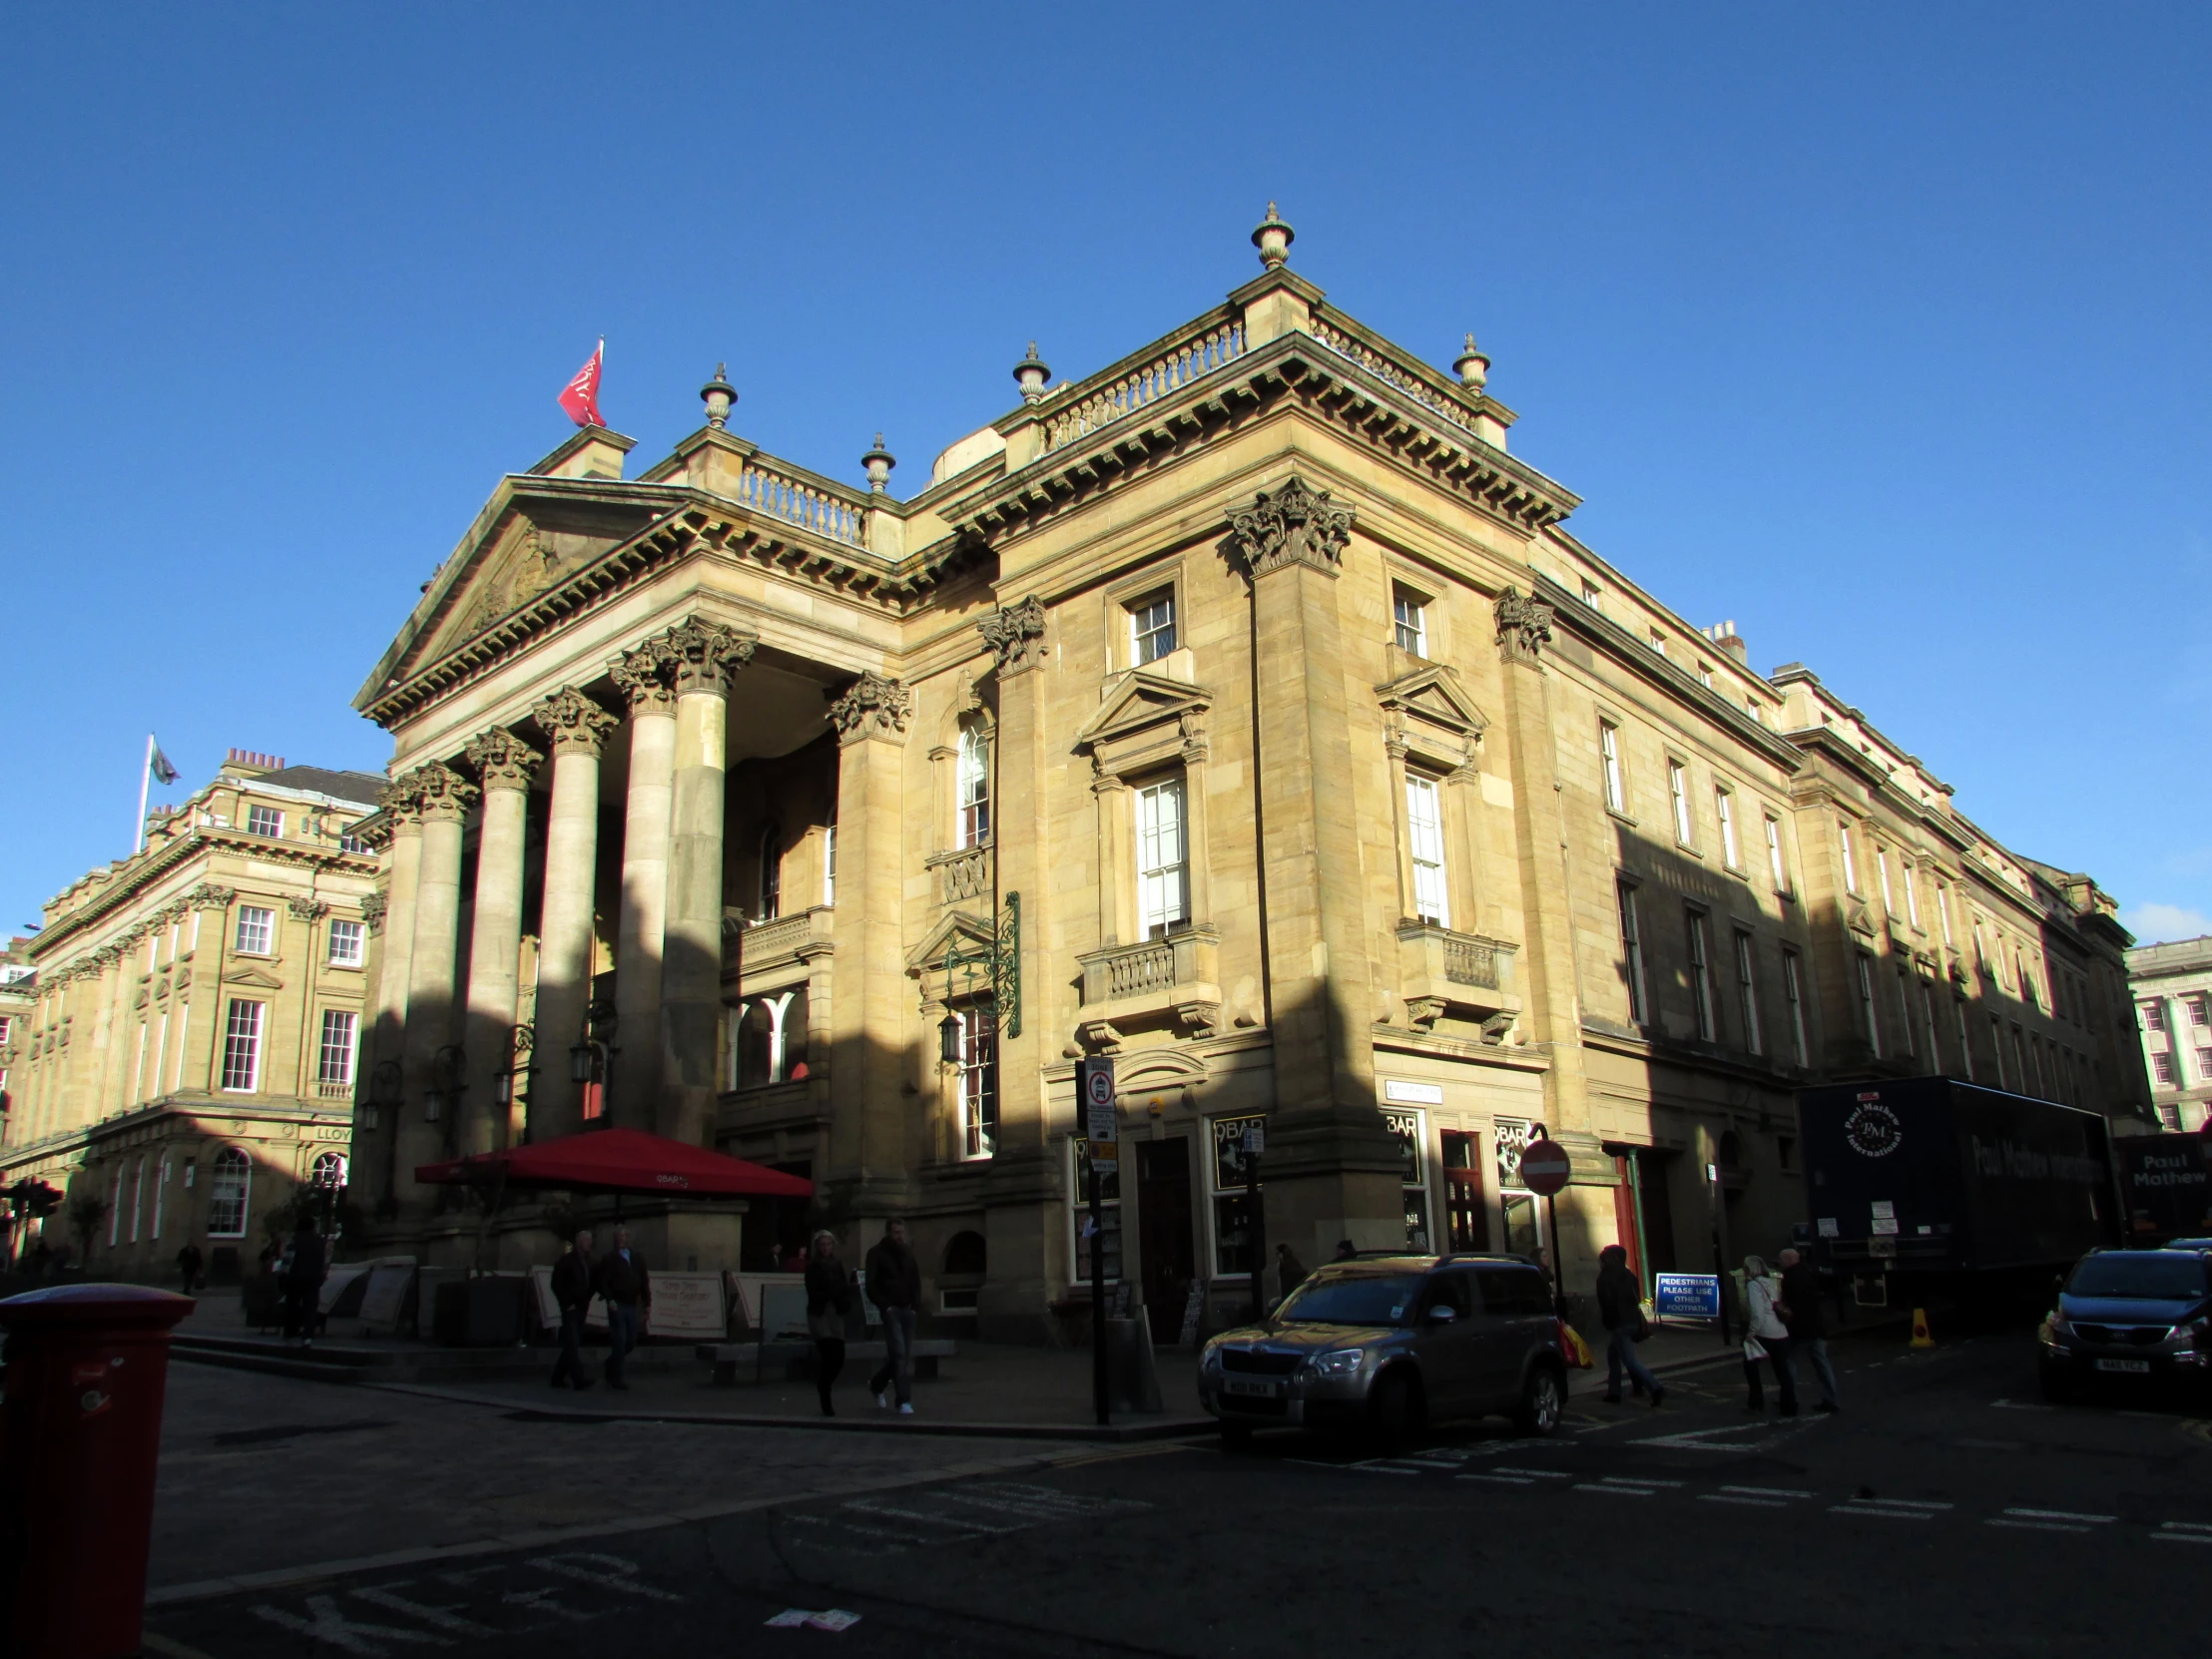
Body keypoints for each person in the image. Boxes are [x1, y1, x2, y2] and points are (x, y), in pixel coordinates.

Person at [1594, 1244, 1665, 1407]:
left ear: (1612, 1259)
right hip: (1632, 1320)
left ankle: (1654, 1386)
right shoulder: (1629, 1275)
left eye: (1604, 1259)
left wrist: (1608, 1322)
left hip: (1619, 1323)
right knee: (1613, 1355)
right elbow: (1635, 1299)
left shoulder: (1605, 1277)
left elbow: (1607, 1303)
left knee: (1630, 1360)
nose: (1601, 1262)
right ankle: (1614, 1392)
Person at [864, 1218, 921, 1415]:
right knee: (899, 1353)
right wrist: (885, 1305)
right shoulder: (876, 1253)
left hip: (908, 1309)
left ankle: (877, 1384)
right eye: (896, 1232)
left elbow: (915, 1279)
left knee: (902, 1355)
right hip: (892, 1310)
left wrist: (915, 1305)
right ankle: (903, 1400)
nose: (900, 1236)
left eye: (902, 1232)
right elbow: (871, 1285)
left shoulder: (907, 1252)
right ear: (889, 1232)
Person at [1777, 1247, 1840, 1412]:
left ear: (1790, 1260)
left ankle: (1790, 1399)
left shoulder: (1787, 1278)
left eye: (1782, 1260)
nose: (1780, 1263)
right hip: (1816, 1326)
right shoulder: (1809, 1273)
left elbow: (1786, 1302)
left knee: (1788, 1362)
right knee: (1822, 1364)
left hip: (1797, 1328)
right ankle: (1830, 1399)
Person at [593, 1225, 651, 1390]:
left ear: (628, 1239)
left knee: (631, 1340)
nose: (621, 1239)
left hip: (631, 1304)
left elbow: (644, 1281)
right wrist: (609, 1299)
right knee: (619, 1340)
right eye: (618, 1236)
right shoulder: (609, 1258)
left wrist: (647, 1304)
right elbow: (603, 1281)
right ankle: (616, 1377)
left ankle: (611, 1363)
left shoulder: (637, 1258)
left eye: (623, 1236)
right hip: (617, 1304)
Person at [805, 1231, 854, 1417]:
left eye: (828, 1244)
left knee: (839, 1356)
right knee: (828, 1352)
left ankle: (824, 1384)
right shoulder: (813, 1266)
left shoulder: (837, 1265)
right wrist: (830, 1292)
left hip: (835, 1313)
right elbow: (813, 1290)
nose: (825, 1248)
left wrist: (845, 1302)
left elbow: (844, 1287)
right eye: (822, 1245)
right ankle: (825, 1397)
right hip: (820, 1312)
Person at [1740, 1254, 1797, 1415]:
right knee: (1782, 1371)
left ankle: (1756, 1403)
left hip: (1764, 1332)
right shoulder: (1770, 1282)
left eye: (1745, 1267)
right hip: (1780, 1331)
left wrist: (1751, 1332)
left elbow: (1757, 1313)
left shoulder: (1753, 1285)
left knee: (1750, 1366)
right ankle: (1789, 1406)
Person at [549, 1229, 596, 1390]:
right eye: (586, 1240)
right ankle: (578, 1379)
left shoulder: (589, 1262)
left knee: (571, 1343)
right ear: (579, 1242)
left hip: (582, 1306)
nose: (590, 1243)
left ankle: (557, 1376)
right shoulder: (567, 1261)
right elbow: (556, 1283)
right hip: (570, 1307)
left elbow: (592, 1282)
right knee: (573, 1342)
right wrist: (567, 1302)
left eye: (590, 1240)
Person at [280, 1216, 326, 1347]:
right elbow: (324, 1260)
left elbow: (287, 1260)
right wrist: (322, 1275)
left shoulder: (294, 1239)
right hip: (313, 1278)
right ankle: (308, 1336)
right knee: (310, 1307)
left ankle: (290, 1332)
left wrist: (283, 1275)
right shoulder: (319, 1241)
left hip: (295, 1277)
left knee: (292, 1306)